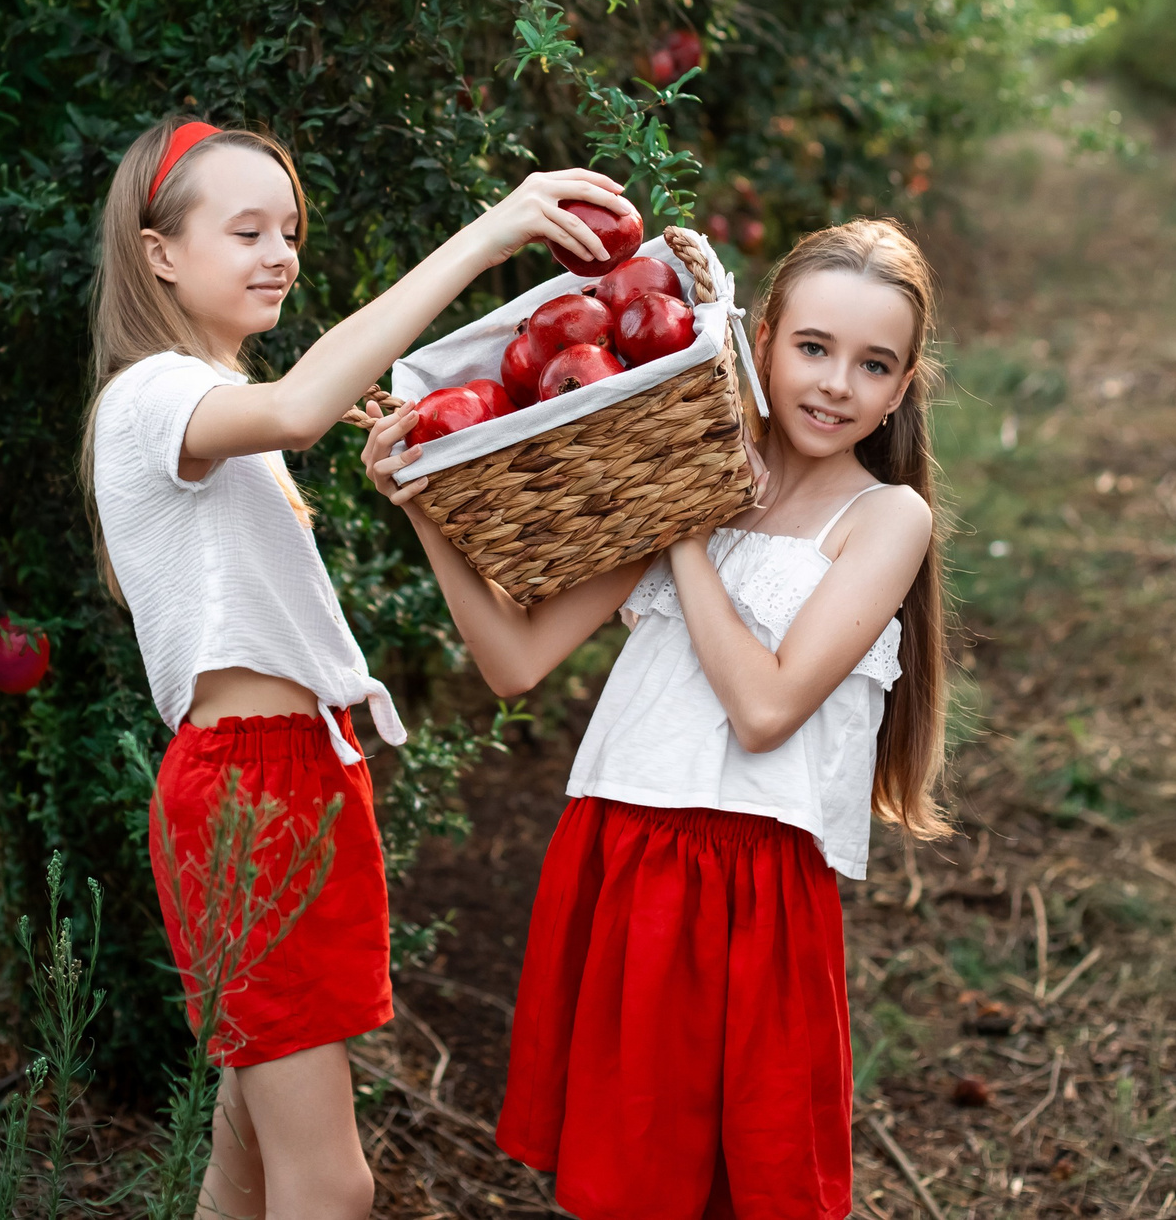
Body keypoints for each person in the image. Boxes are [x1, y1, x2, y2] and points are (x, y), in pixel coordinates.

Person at [85, 115, 635, 1220]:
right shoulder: (151, 396)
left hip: (295, 777)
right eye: (245, 229)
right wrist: (489, 233)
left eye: (287, 228)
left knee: (249, 1156)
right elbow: (298, 407)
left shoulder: (205, 410)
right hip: (250, 793)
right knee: (331, 1183)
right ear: (157, 253)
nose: (278, 252)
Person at [364, 217, 950, 1220]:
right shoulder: (674, 469)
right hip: (621, 854)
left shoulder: (884, 519)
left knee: (739, 1183)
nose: (833, 382)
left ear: (900, 388)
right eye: (812, 346)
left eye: (872, 364)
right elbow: (515, 659)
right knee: (626, 1176)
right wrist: (423, 505)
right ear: (759, 338)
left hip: (748, 885)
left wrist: (685, 526)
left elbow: (765, 708)